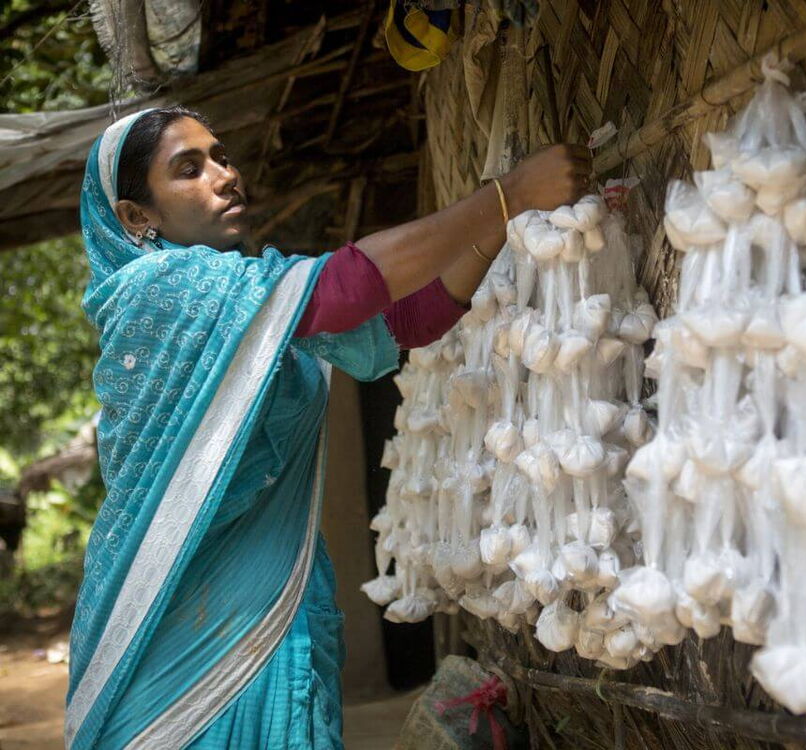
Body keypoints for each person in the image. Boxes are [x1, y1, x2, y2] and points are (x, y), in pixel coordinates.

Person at [66, 105, 589, 749]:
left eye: (221, 156)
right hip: (177, 620)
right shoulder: (161, 289)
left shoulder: (246, 305)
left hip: (259, 603)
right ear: (136, 218)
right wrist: (504, 198)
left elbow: (403, 323)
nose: (224, 176)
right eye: (189, 169)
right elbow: (347, 287)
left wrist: (494, 229)